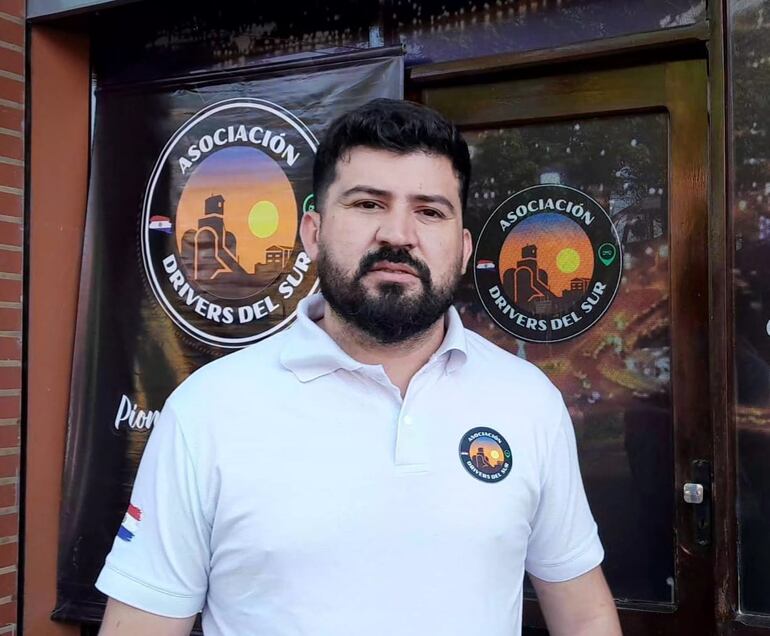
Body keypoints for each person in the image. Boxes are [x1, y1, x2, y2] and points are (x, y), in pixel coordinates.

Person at [96, 98, 622, 636]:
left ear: (464, 248)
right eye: (368, 204)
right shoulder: (207, 411)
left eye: (430, 211)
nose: (398, 234)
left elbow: (585, 616)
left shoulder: (527, 400)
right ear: (313, 232)